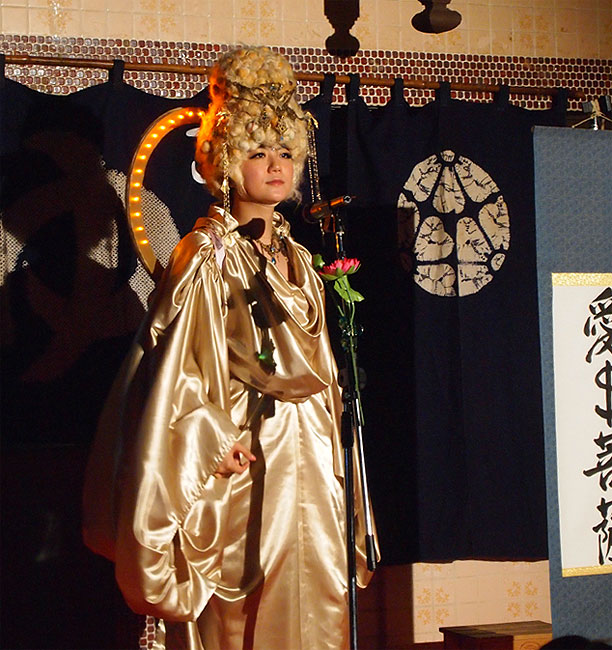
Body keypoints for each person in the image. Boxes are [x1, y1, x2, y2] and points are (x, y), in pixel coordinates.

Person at [83, 45, 376, 650]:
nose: (276, 165)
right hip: (246, 456)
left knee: (314, 597)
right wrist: (209, 441)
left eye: (286, 152)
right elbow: (176, 368)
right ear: (225, 159)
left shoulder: (301, 258)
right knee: (241, 607)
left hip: (311, 452)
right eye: (258, 151)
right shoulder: (207, 253)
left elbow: (320, 367)